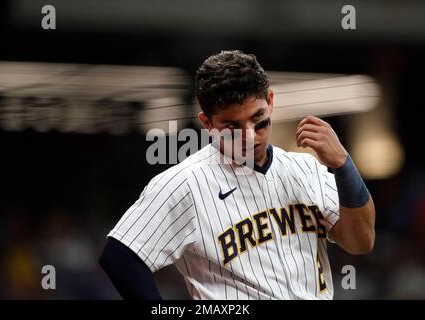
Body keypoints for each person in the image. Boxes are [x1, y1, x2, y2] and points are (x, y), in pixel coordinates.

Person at [99, 50, 375, 300]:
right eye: (233, 126)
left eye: (258, 119)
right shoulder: (185, 183)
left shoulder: (306, 168)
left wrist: (343, 165)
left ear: (270, 101)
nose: (250, 136)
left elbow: (361, 241)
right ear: (207, 123)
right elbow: (120, 257)